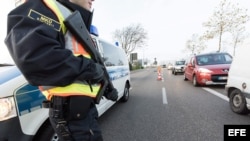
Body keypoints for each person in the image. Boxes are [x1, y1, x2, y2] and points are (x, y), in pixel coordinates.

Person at [5, 0, 117, 140]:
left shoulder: (71, 16)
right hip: (71, 112)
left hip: (81, 110)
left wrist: (107, 86)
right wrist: (91, 68)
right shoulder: (44, 6)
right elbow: (36, 57)